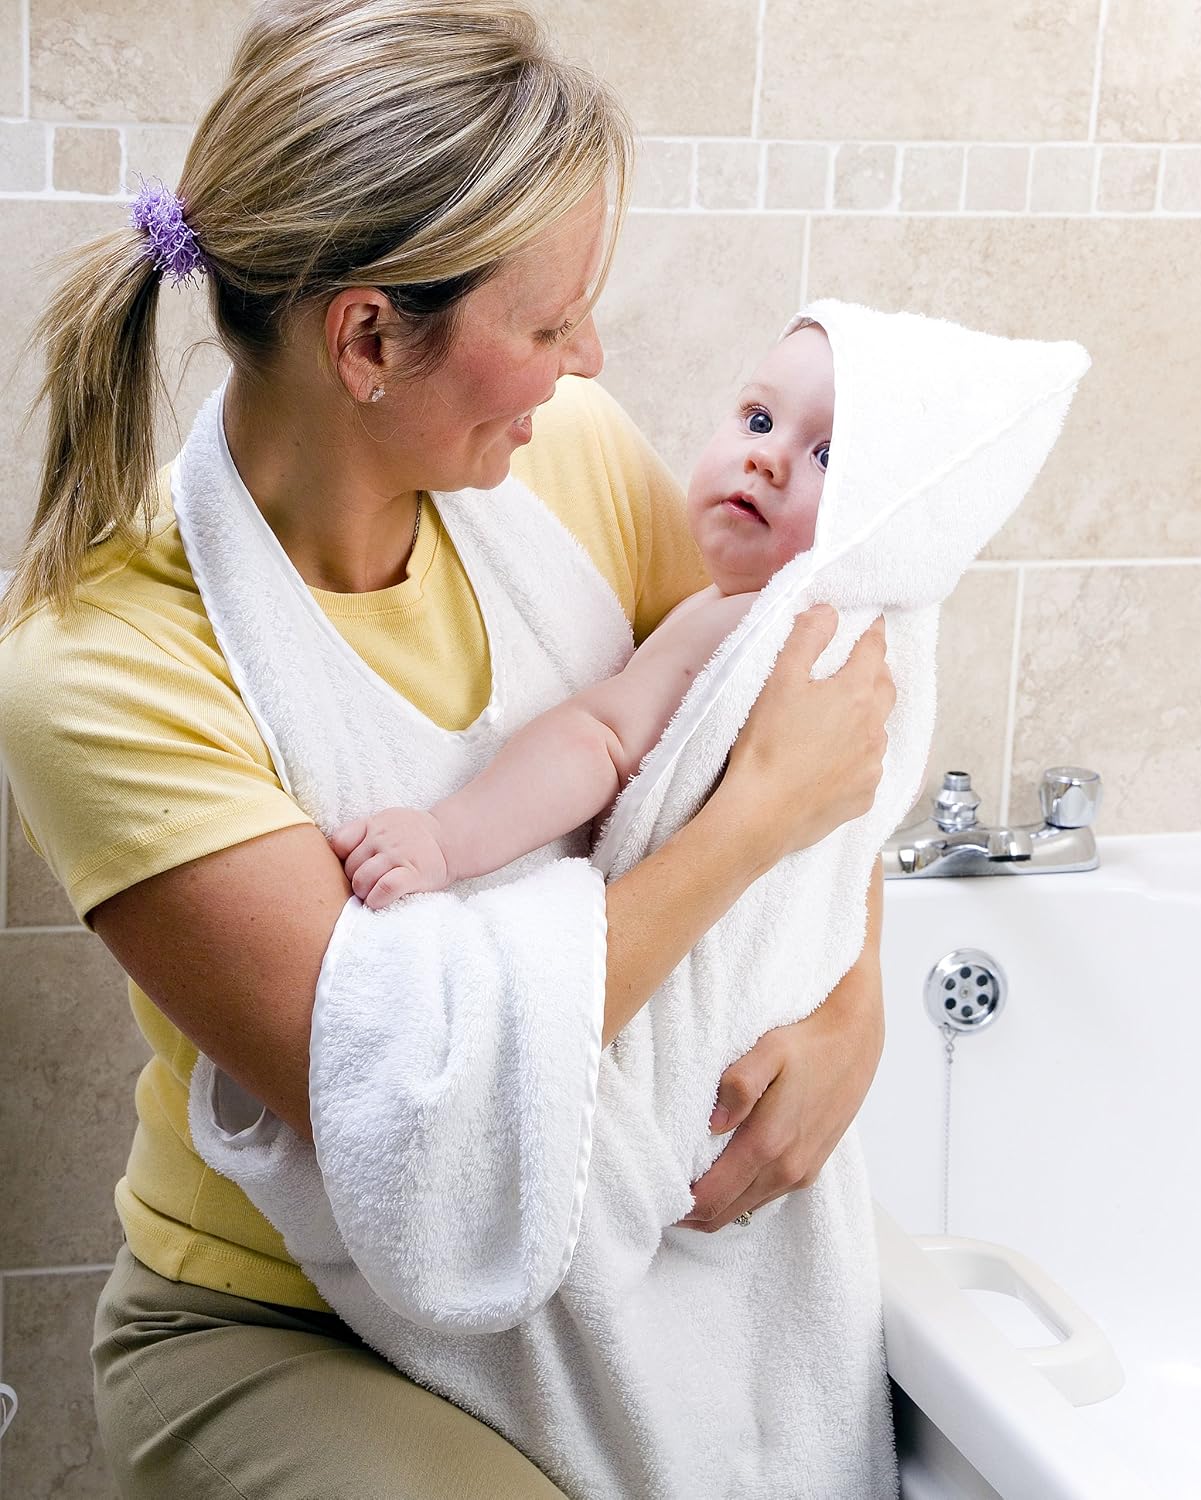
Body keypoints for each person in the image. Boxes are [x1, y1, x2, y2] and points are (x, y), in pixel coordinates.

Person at [0, 2, 895, 1496]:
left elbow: (786, 705)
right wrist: (752, 825)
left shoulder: (566, 452)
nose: (587, 357)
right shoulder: (98, 664)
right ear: (367, 339)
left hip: (596, 1261)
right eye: (547, 326)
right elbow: (421, 1105)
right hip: (289, 1321)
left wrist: (856, 1012)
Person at [330, 322, 837, 908]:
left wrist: (445, 839)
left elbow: (601, 743)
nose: (766, 459)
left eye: (827, 457)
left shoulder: (753, 624)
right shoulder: (738, 605)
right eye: (759, 420)